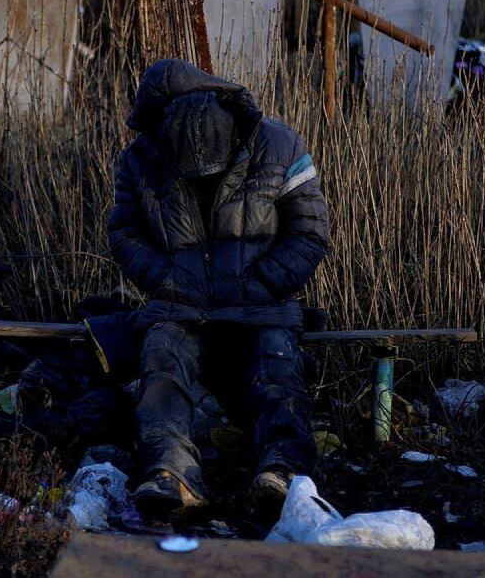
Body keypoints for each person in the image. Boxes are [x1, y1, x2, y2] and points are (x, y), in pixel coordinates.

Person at [107, 59, 329, 517]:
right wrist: (167, 281)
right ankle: (171, 473)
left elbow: (309, 232)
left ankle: (283, 471)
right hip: (181, 306)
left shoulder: (280, 145)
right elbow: (124, 232)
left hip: (262, 304)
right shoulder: (138, 160)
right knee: (161, 365)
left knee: (277, 371)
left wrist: (264, 282)